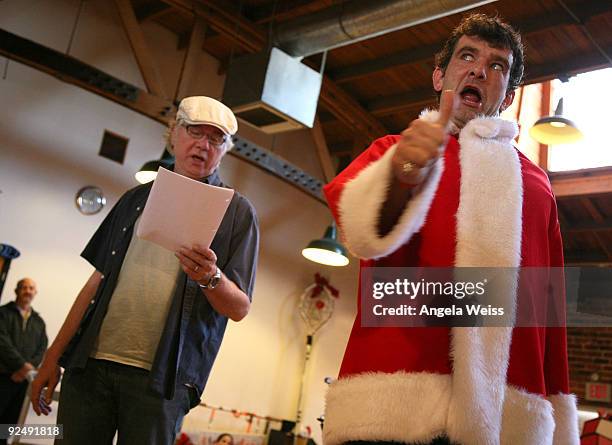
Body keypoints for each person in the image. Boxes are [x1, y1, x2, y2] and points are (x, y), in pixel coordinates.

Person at [322, 14, 578, 445]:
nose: (480, 69)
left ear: (509, 95)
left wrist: (556, 413)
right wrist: (406, 173)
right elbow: (360, 231)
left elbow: (547, 310)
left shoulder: (536, 187)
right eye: (467, 56)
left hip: (505, 417)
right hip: (391, 406)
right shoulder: (393, 152)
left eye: (498, 65)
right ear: (440, 76)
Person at [31, 96, 260, 445]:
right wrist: (52, 356)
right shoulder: (134, 199)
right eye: (194, 132)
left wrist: (210, 278)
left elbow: (239, 308)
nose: (202, 144)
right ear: (173, 134)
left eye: (215, 139)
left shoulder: (237, 213)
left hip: (163, 381)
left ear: (226, 150)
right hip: (89, 366)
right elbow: (96, 282)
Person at [0, 278, 48, 443]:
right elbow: (2, 343)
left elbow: (42, 348)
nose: (28, 291)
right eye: (24, 288)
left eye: (31, 288)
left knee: (8, 426)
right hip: (3, 377)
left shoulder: (39, 322)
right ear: (17, 290)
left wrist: (26, 370)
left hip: (22, 382)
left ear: (35, 292)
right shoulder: (3, 313)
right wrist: (22, 366)